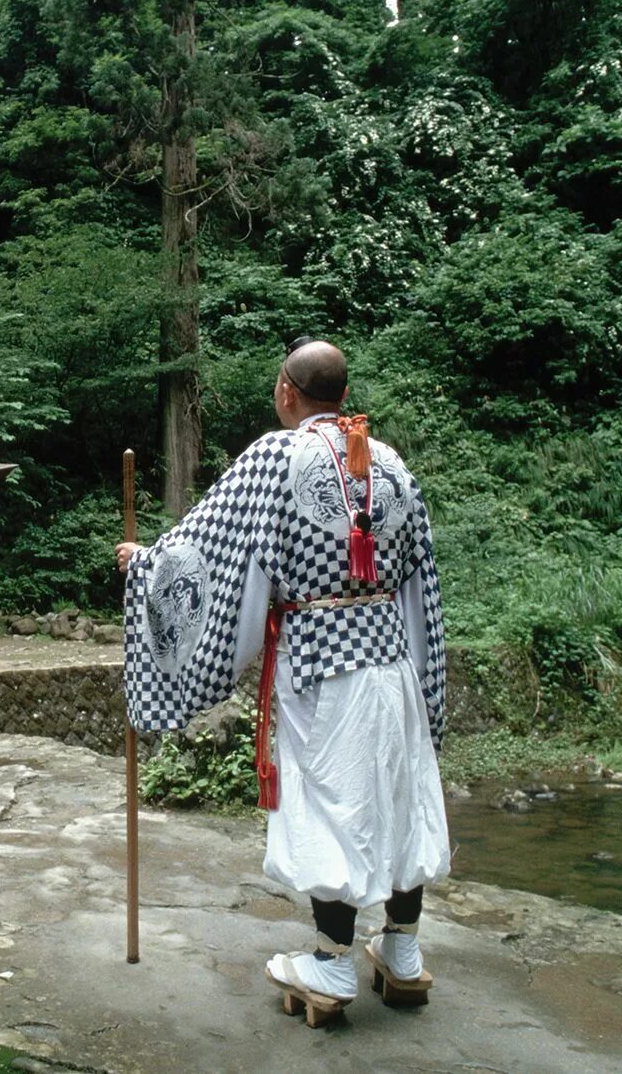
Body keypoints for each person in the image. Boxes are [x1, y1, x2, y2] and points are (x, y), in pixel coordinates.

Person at [116, 337, 449, 1012]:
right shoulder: (388, 464)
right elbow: (422, 583)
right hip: (393, 664)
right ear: (343, 396)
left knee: (333, 805)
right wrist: (426, 678)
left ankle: (330, 964)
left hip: (321, 668)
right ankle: (402, 949)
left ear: (286, 393)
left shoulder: (276, 455)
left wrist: (144, 564)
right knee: (398, 796)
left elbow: (206, 548)